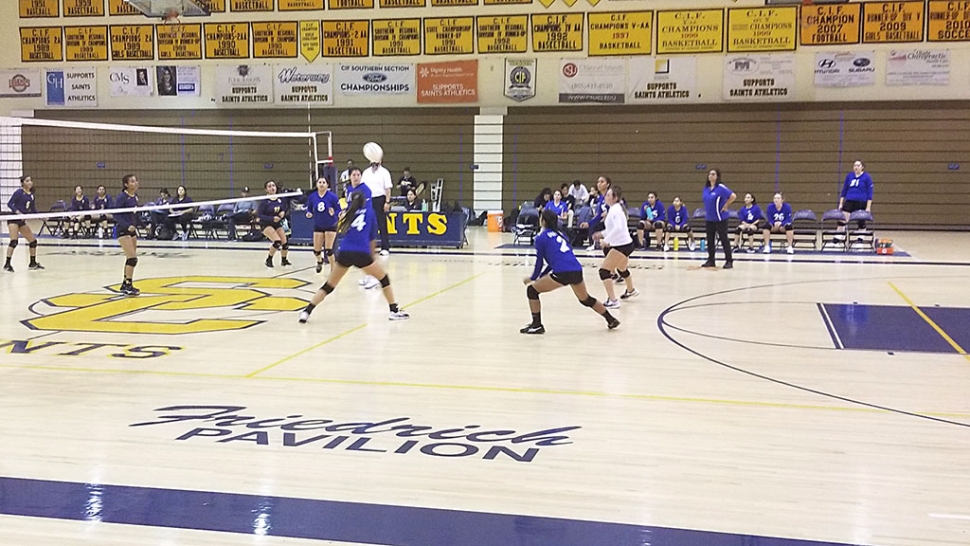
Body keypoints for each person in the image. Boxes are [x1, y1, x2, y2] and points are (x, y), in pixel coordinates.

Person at [299, 191, 409, 323]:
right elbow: (371, 239)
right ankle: (393, 310)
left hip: (345, 251)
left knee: (329, 286)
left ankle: (307, 311)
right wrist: (372, 257)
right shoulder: (370, 213)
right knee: (384, 279)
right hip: (361, 252)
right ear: (365, 201)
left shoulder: (349, 213)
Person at [520, 209, 620, 334]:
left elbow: (540, 262)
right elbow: (556, 260)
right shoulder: (562, 235)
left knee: (532, 290)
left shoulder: (540, 237)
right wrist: (542, 276)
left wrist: (533, 278)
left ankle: (537, 325)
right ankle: (610, 319)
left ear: (543, 221)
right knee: (585, 299)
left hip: (562, 272)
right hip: (576, 270)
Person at [599, 186, 638, 308]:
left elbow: (618, 228)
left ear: (615, 198)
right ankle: (631, 290)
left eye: (608, 195)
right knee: (622, 269)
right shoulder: (614, 209)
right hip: (626, 244)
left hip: (621, 246)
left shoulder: (615, 210)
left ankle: (613, 300)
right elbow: (614, 228)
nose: (606, 197)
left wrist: (606, 240)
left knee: (604, 271)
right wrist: (602, 234)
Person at [4, 175, 43, 272]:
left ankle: (32, 263)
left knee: (33, 241)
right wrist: (17, 212)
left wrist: (41, 217)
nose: (30, 182)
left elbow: (33, 209)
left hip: (21, 221)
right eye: (27, 181)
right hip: (13, 219)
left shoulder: (31, 195)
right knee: (14, 241)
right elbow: (9, 204)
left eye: (30, 180)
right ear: (23, 183)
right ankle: (7, 264)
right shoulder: (18, 192)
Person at [701, 169, 736, 269]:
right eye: (710, 174)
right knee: (710, 240)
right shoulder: (706, 188)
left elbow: (733, 196)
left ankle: (729, 261)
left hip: (720, 218)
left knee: (724, 239)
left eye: (713, 174)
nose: (711, 176)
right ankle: (711, 260)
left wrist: (726, 205)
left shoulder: (721, 188)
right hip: (709, 218)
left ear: (717, 176)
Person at [306, 177, 340, 274]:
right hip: (318, 225)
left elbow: (339, 209)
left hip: (331, 224)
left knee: (329, 249)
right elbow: (309, 208)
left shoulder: (332, 197)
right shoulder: (312, 197)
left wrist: (334, 213)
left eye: (323, 182)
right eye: (319, 182)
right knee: (316, 250)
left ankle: (333, 269)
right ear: (316, 184)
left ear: (327, 185)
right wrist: (309, 213)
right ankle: (319, 261)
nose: (321, 184)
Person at [114, 174, 141, 295]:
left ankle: (125, 283)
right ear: (126, 184)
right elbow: (116, 214)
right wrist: (126, 225)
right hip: (123, 230)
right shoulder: (122, 197)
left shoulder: (134, 197)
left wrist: (144, 225)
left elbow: (136, 214)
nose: (135, 183)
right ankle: (128, 284)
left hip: (132, 231)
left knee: (131, 258)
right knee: (132, 258)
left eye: (136, 181)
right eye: (132, 181)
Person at [362, 159, 392, 256]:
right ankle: (366, 247)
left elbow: (388, 189)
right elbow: (362, 188)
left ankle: (385, 247)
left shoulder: (384, 172)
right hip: (368, 200)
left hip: (380, 199)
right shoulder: (366, 173)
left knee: (382, 224)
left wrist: (387, 202)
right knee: (367, 223)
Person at [258, 180, 291, 268]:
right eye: (269, 186)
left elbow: (283, 208)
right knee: (277, 241)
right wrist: (272, 218)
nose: (272, 188)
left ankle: (284, 260)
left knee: (285, 243)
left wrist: (283, 212)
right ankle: (269, 259)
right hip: (266, 224)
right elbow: (259, 215)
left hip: (277, 224)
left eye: (273, 186)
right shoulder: (264, 201)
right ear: (266, 190)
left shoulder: (280, 199)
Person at [839, 160, 873, 230]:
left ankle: (860, 237)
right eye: (855, 165)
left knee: (861, 220)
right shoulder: (849, 176)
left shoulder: (867, 177)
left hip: (861, 201)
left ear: (862, 167)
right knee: (843, 218)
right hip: (850, 200)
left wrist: (868, 206)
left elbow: (870, 192)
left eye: (858, 165)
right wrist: (841, 203)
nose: (856, 167)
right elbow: (844, 190)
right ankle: (839, 235)